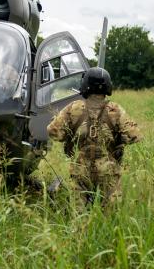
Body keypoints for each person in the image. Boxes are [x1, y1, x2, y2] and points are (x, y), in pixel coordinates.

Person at [46, 67, 142, 206]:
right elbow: (135, 136)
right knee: (110, 218)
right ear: (108, 86)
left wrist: (71, 135)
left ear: (85, 85)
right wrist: (116, 140)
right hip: (108, 170)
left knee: (79, 217)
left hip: (80, 170)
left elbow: (53, 132)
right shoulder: (115, 110)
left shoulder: (74, 108)